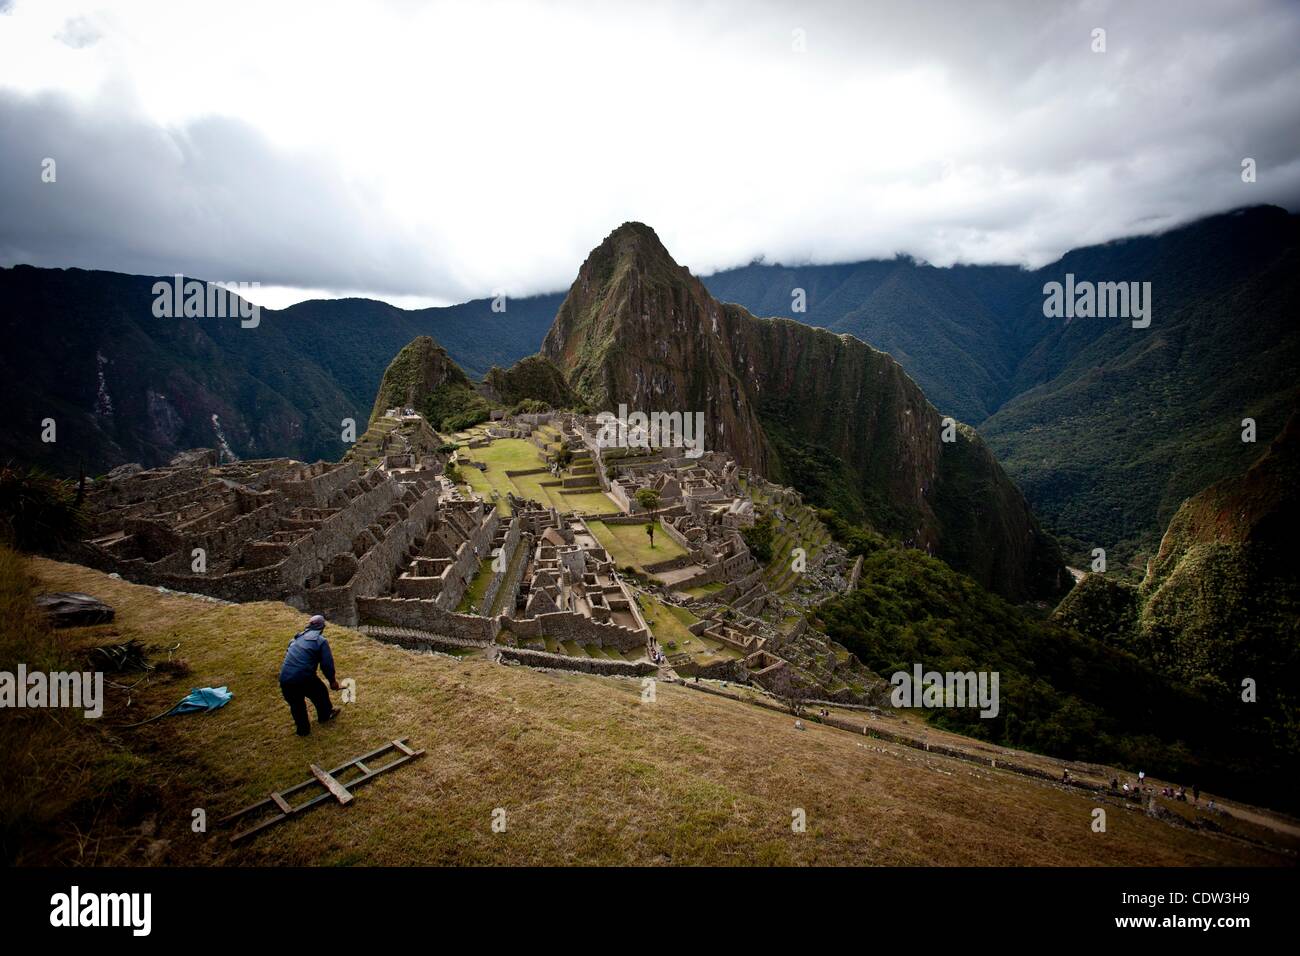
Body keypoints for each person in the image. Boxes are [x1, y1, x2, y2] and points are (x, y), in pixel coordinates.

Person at [279, 614, 341, 736]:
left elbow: (289, 653)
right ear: (322, 628)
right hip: (303, 677)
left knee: (296, 705)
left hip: (285, 678)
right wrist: (332, 681)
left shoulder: (296, 639)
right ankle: (325, 715)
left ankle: (303, 731)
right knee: (320, 693)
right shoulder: (320, 641)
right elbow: (326, 665)